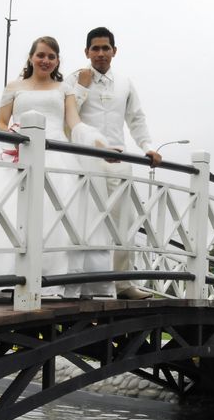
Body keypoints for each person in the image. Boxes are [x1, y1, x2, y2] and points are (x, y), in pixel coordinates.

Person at [0, 36, 113, 298]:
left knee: (54, 214)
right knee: (2, 213)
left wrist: (100, 145)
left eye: (51, 56)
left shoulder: (63, 89)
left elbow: (74, 122)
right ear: (32, 57)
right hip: (18, 154)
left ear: (57, 61)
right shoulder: (14, 86)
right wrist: (14, 134)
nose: (45, 60)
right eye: (41, 55)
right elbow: (0, 122)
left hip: (55, 156)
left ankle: (48, 278)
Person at [65, 27, 162, 300]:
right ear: (86, 52)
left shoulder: (125, 82)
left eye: (105, 48)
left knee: (125, 223)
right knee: (84, 223)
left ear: (114, 51)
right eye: (94, 49)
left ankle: (122, 284)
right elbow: (68, 116)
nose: (100, 54)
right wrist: (83, 85)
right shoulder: (75, 78)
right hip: (85, 160)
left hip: (120, 160)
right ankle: (83, 284)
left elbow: (136, 119)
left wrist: (148, 147)